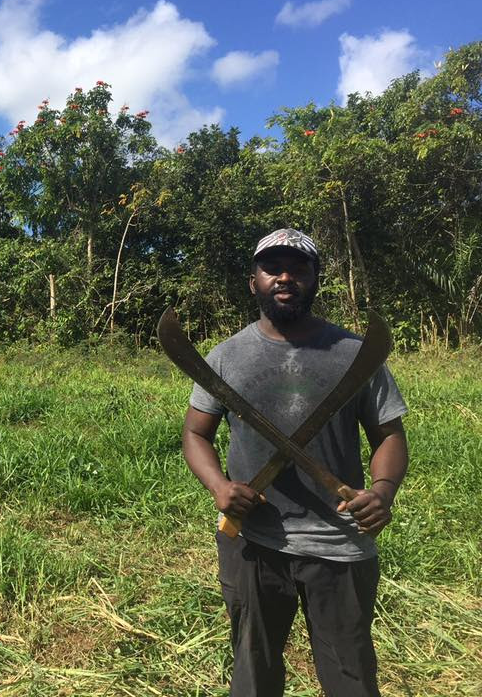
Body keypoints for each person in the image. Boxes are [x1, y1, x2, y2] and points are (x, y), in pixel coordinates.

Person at [181, 227, 409, 696]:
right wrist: (219, 488)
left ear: (314, 279)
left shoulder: (354, 354)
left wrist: (382, 491)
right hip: (253, 540)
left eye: (298, 268)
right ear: (253, 281)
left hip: (340, 543)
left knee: (351, 676)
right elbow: (195, 433)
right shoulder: (226, 357)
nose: (285, 277)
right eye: (272, 268)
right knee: (253, 671)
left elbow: (389, 434)